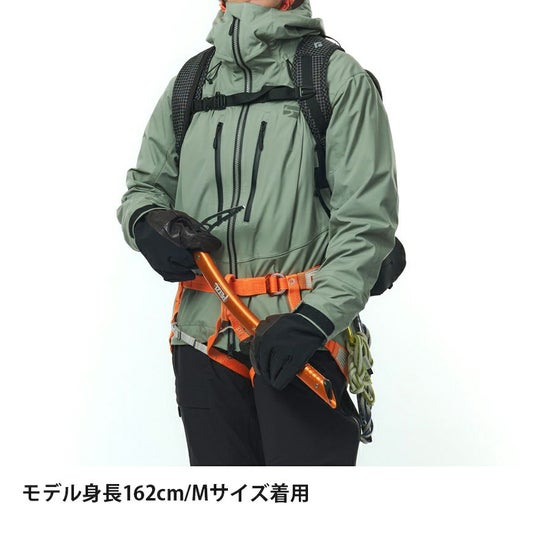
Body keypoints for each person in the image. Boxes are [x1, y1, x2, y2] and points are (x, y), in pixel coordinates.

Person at [117, 0, 399, 466]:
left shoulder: (335, 78)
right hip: (202, 340)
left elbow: (366, 223)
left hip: (301, 340)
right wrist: (146, 221)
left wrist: (314, 319)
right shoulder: (190, 83)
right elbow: (145, 187)